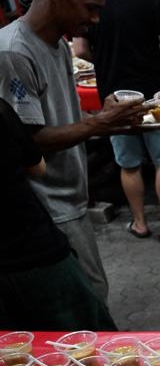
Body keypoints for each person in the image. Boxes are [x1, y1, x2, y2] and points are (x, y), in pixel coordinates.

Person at [0, 0, 146, 304]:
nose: (95, 19)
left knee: (92, 295)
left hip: (69, 197)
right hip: (45, 206)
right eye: (90, 7)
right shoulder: (13, 51)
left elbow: (62, 119)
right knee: (82, 305)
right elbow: (26, 142)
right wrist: (99, 125)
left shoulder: (58, 44)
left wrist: (104, 121)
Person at [73, 0, 160, 243]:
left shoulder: (93, 3)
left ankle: (139, 223)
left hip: (113, 98)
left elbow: (80, 50)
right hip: (153, 94)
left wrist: (107, 62)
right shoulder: (150, 2)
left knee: (129, 164)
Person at [0, 97, 116, 330]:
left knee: (16, 355)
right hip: (33, 252)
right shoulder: (2, 111)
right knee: (81, 342)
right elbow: (37, 167)